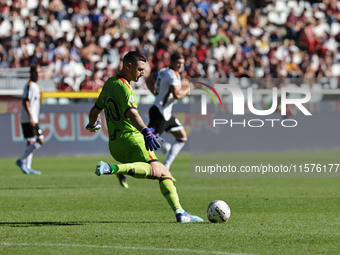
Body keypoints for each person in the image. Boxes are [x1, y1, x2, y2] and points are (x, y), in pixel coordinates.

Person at [86, 51, 202, 223]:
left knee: (160, 171)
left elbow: (95, 111)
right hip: (132, 141)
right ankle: (113, 169)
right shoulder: (125, 88)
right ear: (128, 66)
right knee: (161, 173)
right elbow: (133, 114)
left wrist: (92, 124)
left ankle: (180, 213)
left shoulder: (109, 83)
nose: (142, 73)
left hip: (115, 146)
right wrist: (146, 131)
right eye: (140, 69)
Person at [146, 51, 190, 171]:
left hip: (165, 113)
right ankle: (124, 170)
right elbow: (176, 95)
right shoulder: (172, 75)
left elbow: (149, 80)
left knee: (182, 137)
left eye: (182, 63)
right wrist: (187, 89)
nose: (181, 66)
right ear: (172, 62)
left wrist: (155, 93)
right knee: (146, 147)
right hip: (159, 114)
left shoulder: (164, 72)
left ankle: (166, 167)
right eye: (178, 63)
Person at [15, 65, 44, 175]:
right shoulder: (30, 85)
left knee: (30, 141)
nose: (38, 74)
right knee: (40, 140)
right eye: (36, 72)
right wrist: (31, 117)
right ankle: (21, 160)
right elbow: (25, 101)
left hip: (31, 117)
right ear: (31, 73)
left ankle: (28, 167)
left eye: (39, 72)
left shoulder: (35, 86)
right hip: (29, 118)